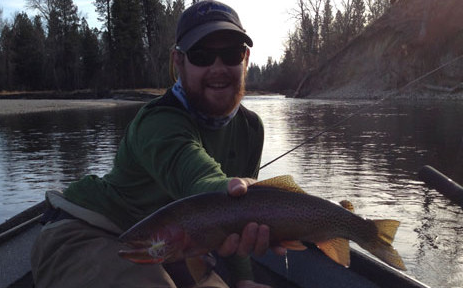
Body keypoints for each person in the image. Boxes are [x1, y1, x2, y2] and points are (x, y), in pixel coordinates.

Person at [30, 1, 285, 287]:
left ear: (246, 58)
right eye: (201, 56)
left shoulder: (251, 128)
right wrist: (229, 192)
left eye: (230, 54)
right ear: (178, 61)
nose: (218, 68)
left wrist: (243, 279)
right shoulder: (158, 121)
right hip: (90, 229)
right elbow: (197, 177)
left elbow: (238, 222)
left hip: (170, 248)